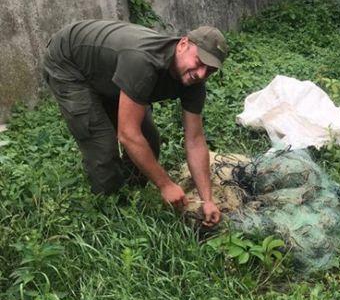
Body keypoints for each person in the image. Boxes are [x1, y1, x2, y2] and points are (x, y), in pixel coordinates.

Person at [43, 19, 227, 224]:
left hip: (109, 69)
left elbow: (195, 139)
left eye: (210, 70)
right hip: (69, 61)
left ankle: (133, 196)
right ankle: (111, 219)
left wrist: (207, 200)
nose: (201, 73)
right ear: (183, 44)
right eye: (199, 62)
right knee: (103, 147)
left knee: (149, 140)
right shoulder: (143, 62)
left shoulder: (195, 82)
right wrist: (165, 185)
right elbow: (128, 135)